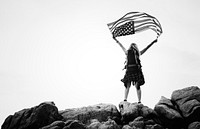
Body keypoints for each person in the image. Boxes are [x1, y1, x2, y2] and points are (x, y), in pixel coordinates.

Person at [113, 37, 157, 103]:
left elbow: (121, 45)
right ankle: (132, 100)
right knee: (133, 85)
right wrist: (153, 42)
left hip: (131, 70)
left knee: (130, 85)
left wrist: (153, 42)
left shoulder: (130, 52)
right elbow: (147, 48)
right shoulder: (136, 53)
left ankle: (130, 100)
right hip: (135, 70)